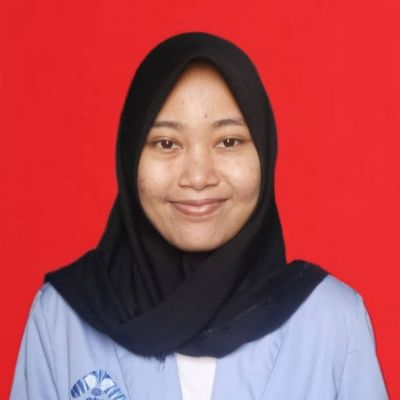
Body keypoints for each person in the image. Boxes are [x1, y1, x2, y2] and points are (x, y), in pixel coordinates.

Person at [10, 32, 388, 399]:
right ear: (129, 156)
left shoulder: (333, 322)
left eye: (228, 142)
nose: (198, 177)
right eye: (166, 143)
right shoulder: (61, 320)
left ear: (264, 152)